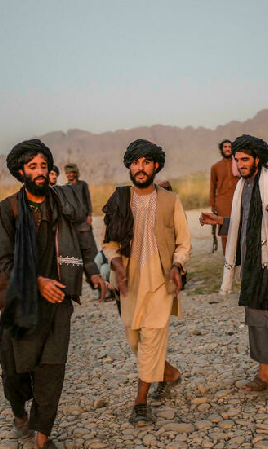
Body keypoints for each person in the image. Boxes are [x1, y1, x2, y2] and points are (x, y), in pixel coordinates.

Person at [0, 139, 106, 449]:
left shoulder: (64, 203)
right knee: (14, 370)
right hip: (22, 300)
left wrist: (93, 272)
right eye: (33, 167)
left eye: (43, 166)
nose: (40, 172)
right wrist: (37, 282)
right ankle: (19, 412)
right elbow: (4, 260)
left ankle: (43, 436)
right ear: (20, 171)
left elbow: (84, 237)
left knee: (52, 369)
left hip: (58, 299)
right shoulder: (9, 208)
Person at [102, 139, 191, 425]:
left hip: (161, 283)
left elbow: (183, 242)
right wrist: (116, 264)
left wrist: (178, 265)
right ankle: (170, 374)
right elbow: (109, 242)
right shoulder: (119, 200)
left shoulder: (169, 199)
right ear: (129, 165)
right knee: (134, 340)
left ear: (156, 166)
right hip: (130, 284)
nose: (141, 168)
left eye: (147, 162)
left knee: (152, 339)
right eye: (136, 162)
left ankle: (140, 403)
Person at [200, 134, 268, 391]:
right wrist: (220, 221)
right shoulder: (242, 187)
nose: (240, 164)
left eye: (245, 159)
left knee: (259, 315)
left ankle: (264, 374)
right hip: (252, 262)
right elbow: (245, 226)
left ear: (257, 159)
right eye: (237, 159)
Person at [209, 139, 240, 254]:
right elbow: (212, 186)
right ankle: (227, 256)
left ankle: (238, 256)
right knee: (225, 231)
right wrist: (213, 204)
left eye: (230, 147)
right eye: (225, 147)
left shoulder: (238, 164)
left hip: (238, 200)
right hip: (222, 202)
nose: (227, 149)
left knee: (239, 228)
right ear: (221, 149)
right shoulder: (215, 167)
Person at [64, 163, 93, 228]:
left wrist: (89, 215)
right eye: (67, 173)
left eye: (71, 172)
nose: (69, 175)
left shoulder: (83, 185)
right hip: (72, 220)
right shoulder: (65, 187)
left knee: (86, 237)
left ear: (75, 173)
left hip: (84, 218)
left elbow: (88, 200)